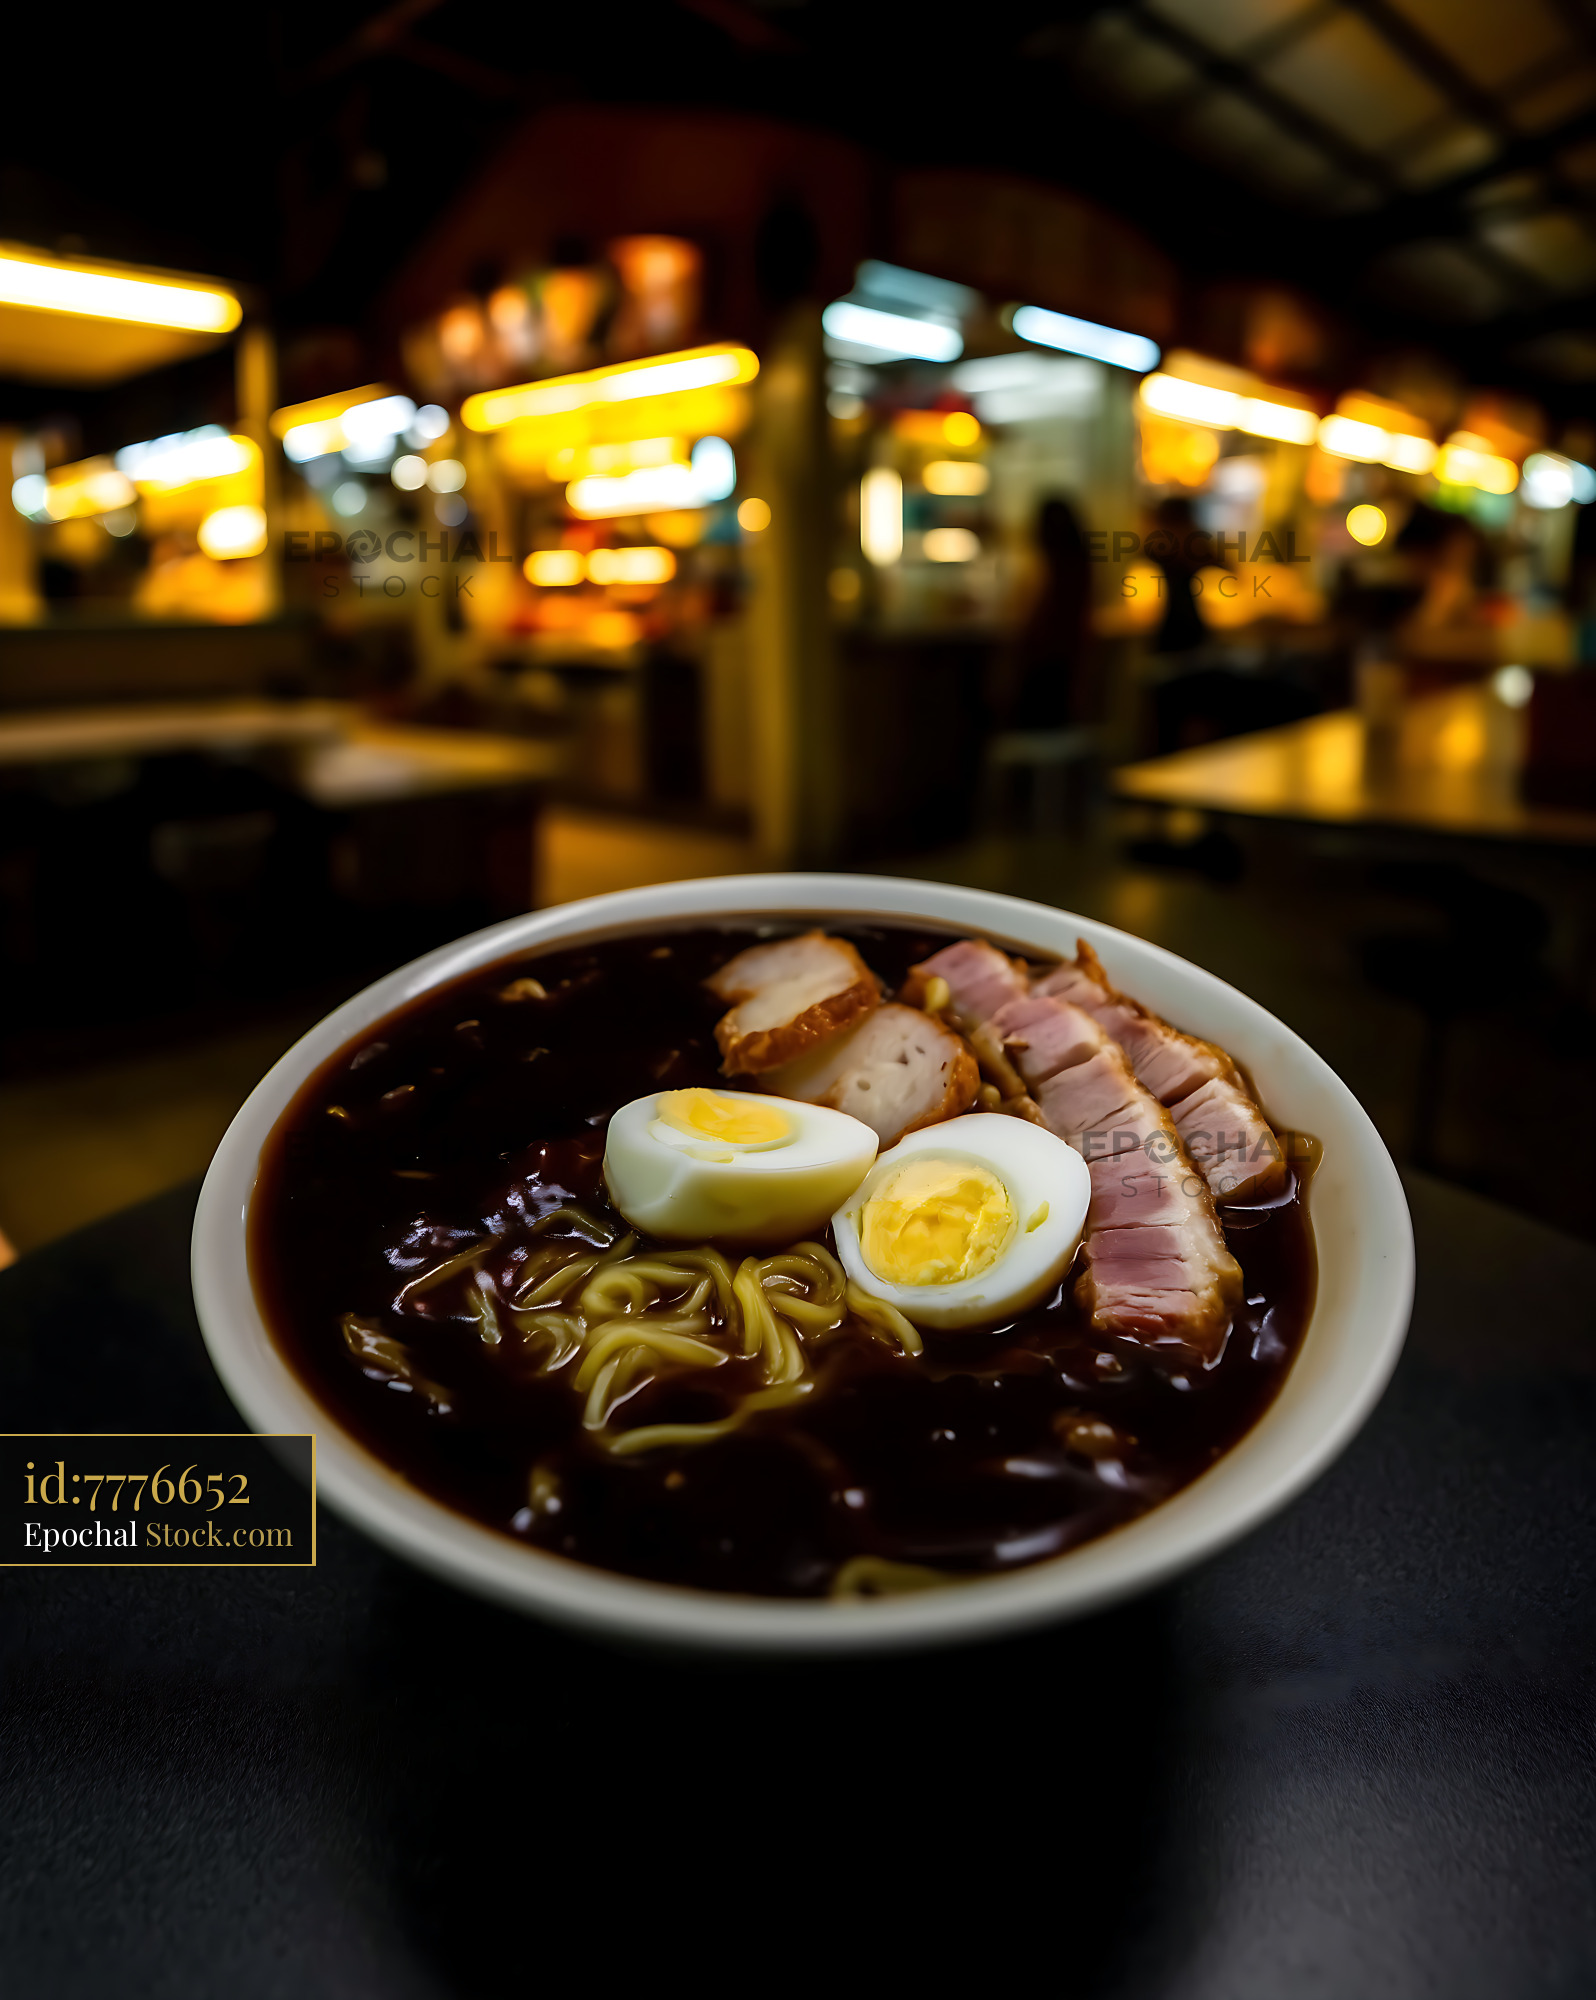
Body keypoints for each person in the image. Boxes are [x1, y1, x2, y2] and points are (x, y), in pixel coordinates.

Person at [1003, 496, 1093, 729]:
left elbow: (1033, 620)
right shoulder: (1080, 564)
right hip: (1070, 662)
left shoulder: (1047, 568)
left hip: (1043, 662)